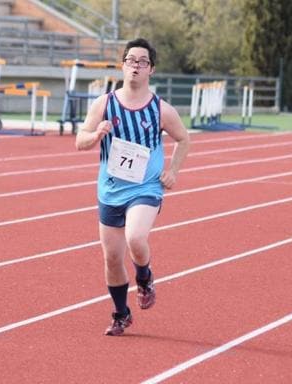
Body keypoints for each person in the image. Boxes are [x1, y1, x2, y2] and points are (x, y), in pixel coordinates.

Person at [75, 38, 190, 336]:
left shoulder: (161, 109)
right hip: (111, 190)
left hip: (146, 188)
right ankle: (121, 313)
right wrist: (97, 134)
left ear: (151, 69)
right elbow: (80, 141)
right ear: (122, 65)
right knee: (112, 258)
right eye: (130, 60)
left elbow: (183, 138)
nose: (135, 66)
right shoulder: (105, 103)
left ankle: (145, 276)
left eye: (142, 61)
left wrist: (173, 171)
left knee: (136, 238)